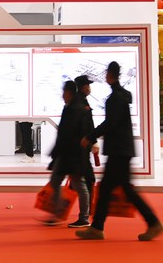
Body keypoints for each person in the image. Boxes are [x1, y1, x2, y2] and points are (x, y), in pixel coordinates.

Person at [76, 62, 163, 241]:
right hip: (122, 149)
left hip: (118, 150)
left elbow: (111, 123)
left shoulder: (115, 98)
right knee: (114, 189)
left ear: (110, 75)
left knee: (115, 189)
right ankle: (98, 227)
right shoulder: (123, 95)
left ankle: (151, 222)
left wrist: (90, 137)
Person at [45, 80, 92, 227]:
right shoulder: (73, 107)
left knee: (78, 184)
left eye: (64, 92)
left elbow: (68, 133)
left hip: (72, 154)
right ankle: (59, 214)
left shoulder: (75, 108)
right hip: (69, 154)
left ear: (69, 92)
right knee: (59, 181)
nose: (62, 95)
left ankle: (82, 217)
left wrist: (56, 151)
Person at [74, 75, 98, 192]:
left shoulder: (82, 100)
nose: (89, 88)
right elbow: (86, 125)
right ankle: (87, 203)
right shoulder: (79, 102)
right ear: (83, 87)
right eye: (88, 85)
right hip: (82, 144)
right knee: (87, 176)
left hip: (84, 143)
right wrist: (92, 140)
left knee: (82, 175)